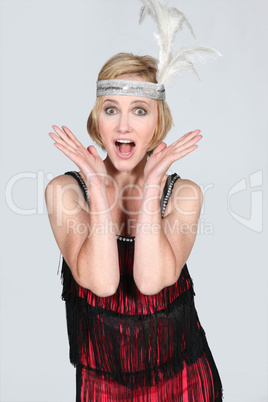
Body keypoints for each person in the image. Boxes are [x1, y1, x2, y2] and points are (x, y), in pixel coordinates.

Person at [45, 51, 223, 401]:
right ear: (98, 119)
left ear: (157, 123)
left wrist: (153, 183)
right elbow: (102, 282)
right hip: (103, 383)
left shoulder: (182, 194)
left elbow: (150, 280)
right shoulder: (65, 192)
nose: (123, 126)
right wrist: (97, 186)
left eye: (139, 110)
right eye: (111, 109)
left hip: (183, 379)